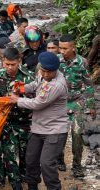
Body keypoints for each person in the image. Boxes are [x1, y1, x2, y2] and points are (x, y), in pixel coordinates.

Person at [10, 52, 69, 190]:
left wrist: (17, 100)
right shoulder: (42, 73)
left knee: (47, 164)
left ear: (56, 70)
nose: (46, 75)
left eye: (50, 72)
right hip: (38, 128)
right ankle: (32, 187)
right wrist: (22, 88)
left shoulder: (57, 85)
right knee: (31, 161)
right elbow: (36, 85)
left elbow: (38, 103)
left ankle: (54, 188)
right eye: (44, 71)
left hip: (55, 130)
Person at [0, 47, 34, 190]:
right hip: (7, 122)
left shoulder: (28, 77)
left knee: (25, 152)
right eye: (7, 64)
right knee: (10, 153)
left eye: (12, 64)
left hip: (25, 121)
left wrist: (21, 99)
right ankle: (15, 183)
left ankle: (23, 175)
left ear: (19, 62)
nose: (9, 67)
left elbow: (36, 100)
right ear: (3, 61)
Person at [57, 34, 96, 177]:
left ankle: (77, 165)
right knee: (59, 134)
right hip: (59, 104)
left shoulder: (82, 62)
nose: (62, 51)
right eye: (60, 48)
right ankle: (59, 160)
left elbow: (89, 85)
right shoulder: (56, 61)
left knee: (77, 135)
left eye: (65, 48)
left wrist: (91, 106)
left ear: (73, 47)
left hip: (77, 103)